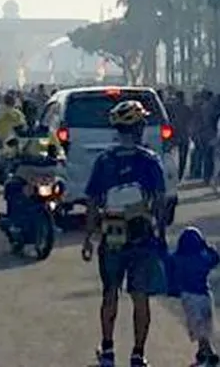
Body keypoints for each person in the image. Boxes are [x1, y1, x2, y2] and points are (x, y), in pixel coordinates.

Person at [81, 100, 167, 367]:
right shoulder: (150, 161)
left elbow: (94, 202)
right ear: (140, 128)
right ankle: (138, 355)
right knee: (140, 297)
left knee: (110, 294)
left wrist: (88, 237)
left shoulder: (104, 161)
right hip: (142, 236)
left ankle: (107, 351)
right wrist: (160, 233)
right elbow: (160, 201)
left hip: (112, 235)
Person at [172, 226, 220, 366]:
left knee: (198, 328)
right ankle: (208, 353)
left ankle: (206, 355)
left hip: (189, 297)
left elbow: (168, 259)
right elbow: (216, 258)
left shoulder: (179, 259)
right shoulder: (202, 259)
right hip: (205, 295)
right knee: (205, 327)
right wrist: (207, 246)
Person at [169, 90, 191, 181]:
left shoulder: (171, 107)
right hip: (183, 135)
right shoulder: (186, 108)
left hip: (174, 135)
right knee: (182, 157)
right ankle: (180, 175)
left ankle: (173, 174)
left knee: (171, 155)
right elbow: (190, 120)